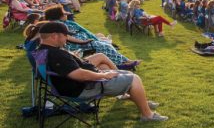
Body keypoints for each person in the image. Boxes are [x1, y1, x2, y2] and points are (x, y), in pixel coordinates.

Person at [35, 21, 167, 121]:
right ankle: (147, 114)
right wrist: (103, 75)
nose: (67, 38)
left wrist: (76, 59)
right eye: (65, 36)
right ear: (54, 36)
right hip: (84, 88)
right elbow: (79, 75)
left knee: (116, 70)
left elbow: (69, 69)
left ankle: (140, 99)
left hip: (73, 86)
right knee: (134, 78)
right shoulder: (56, 54)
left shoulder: (43, 50)